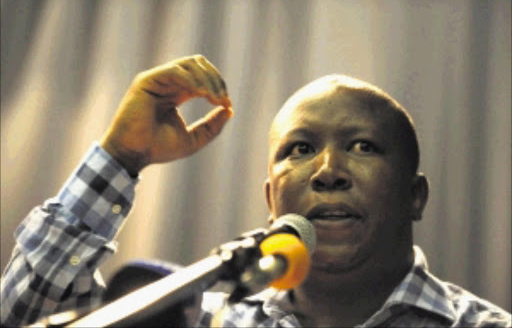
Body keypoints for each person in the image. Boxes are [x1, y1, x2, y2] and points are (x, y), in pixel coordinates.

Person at [1, 55, 510, 327]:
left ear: (415, 195)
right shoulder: (205, 322)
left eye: (362, 147)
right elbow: (23, 318)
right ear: (271, 202)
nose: (328, 171)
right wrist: (121, 157)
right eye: (300, 149)